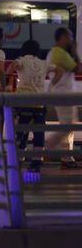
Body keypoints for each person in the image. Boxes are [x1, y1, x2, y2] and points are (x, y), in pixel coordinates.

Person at [5, 40, 47, 172]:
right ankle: (36, 162)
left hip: (23, 102)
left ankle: (18, 160)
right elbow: (58, 69)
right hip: (39, 103)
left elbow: (11, 67)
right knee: (39, 133)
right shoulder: (43, 63)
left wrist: (8, 80)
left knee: (22, 132)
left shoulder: (21, 60)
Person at [45, 27, 81, 169]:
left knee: (69, 125)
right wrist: (75, 50)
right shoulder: (59, 53)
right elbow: (77, 68)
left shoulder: (56, 52)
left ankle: (66, 157)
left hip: (63, 93)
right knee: (68, 125)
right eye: (69, 37)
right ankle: (50, 144)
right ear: (62, 38)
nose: (71, 39)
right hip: (63, 94)